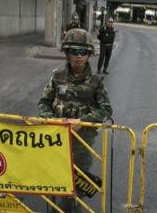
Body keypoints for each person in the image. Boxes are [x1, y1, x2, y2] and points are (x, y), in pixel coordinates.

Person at [38, 28, 113, 213]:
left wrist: (83, 121)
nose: (80, 57)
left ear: (89, 55)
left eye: (84, 52)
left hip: (83, 143)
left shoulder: (96, 82)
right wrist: (52, 120)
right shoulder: (57, 77)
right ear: (66, 53)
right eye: (75, 52)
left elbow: (105, 109)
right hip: (56, 140)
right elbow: (43, 103)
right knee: (56, 182)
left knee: (77, 186)